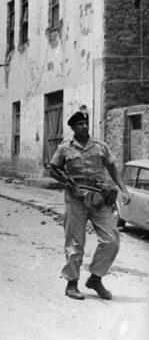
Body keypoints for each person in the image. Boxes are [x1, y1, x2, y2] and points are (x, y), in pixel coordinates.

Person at [49, 109, 128, 301]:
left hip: (99, 199)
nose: (84, 126)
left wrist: (123, 189)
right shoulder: (64, 148)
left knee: (112, 240)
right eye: (80, 124)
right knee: (75, 243)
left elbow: (112, 168)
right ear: (73, 128)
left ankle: (95, 278)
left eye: (86, 123)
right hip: (76, 199)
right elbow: (53, 168)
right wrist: (66, 181)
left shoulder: (100, 146)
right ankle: (72, 284)